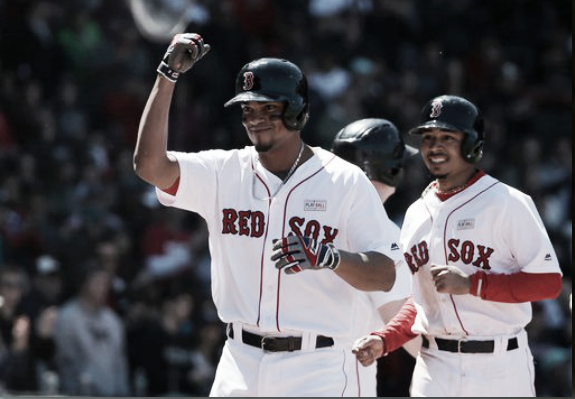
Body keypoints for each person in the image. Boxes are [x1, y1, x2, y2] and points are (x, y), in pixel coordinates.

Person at [133, 33, 399, 396]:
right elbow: (149, 165)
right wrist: (167, 75)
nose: (255, 119)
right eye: (248, 110)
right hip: (239, 360)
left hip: (315, 365)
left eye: (268, 109)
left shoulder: (343, 180)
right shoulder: (224, 171)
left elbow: (384, 273)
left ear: (297, 111)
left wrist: (329, 257)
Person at [351, 94, 564, 397]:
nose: (434, 146)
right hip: (435, 365)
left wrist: (474, 284)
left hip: (499, 365)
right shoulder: (415, 212)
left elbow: (548, 283)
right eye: (428, 137)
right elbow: (420, 300)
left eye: (447, 137)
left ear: (472, 144)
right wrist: (386, 339)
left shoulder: (508, 202)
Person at [331, 118, 420, 397]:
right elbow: (415, 339)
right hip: (340, 380)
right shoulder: (383, 233)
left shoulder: (307, 218)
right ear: (391, 169)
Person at [53, 261, 130, 396]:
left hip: (112, 394)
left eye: (105, 284)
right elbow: (64, 360)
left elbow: (119, 363)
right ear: (83, 284)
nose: (103, 288)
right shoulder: (67, 317)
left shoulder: (113, 321)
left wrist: (123, 393)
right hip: (78, 394)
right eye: (97, 283)